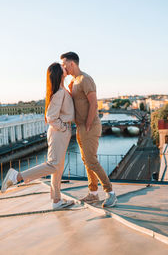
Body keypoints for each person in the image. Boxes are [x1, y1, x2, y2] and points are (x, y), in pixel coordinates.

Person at [1, 63, 74, 209]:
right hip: (59, 132)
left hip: (60, 133)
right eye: (62, 66)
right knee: (53, 165)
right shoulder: (59, 92)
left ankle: (56, 200)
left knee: (57, 168)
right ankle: (17, 176)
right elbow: (51, 117)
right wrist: (64, 127)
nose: (64, 66)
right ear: (59, 73)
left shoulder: (61, 89)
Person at [61, 52, 117, 208]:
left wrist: (87, 124)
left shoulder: (85, 79)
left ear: (72, 64)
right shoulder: (74, 81)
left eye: (64, 65)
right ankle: (93, 193)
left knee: (91, 160)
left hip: (89, 126)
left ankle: (110, 193)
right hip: (81, 127)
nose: (63, 68)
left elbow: (93, 104)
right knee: (87, 161)